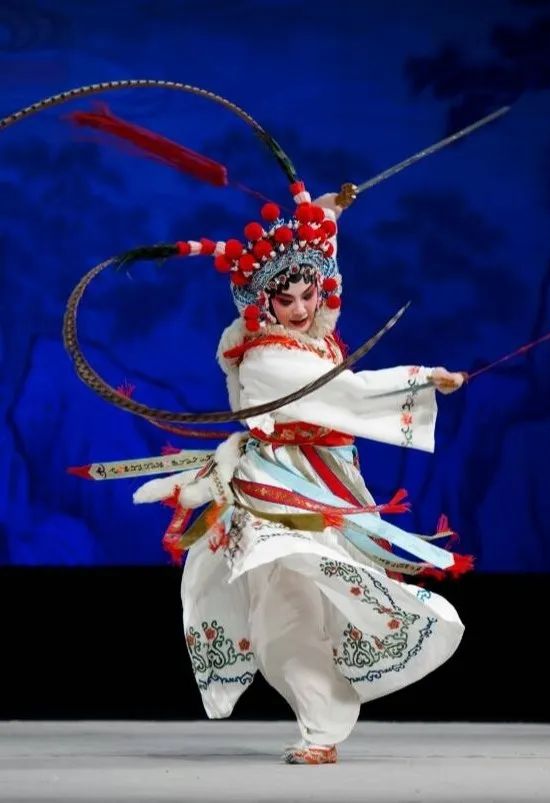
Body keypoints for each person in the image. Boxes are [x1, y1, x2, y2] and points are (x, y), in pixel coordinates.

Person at [134, 182, 469, 765]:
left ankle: (322, 728)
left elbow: (323, 269)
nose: (300, 308)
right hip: (276, 488)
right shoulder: (267, 357)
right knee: (280, 608)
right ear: (262, 303)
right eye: (285, 300)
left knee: (315, 599)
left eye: (308, 295)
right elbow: (348, 393)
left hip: (326, 485)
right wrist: (423, 378)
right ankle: (322, 728)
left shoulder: (314, 335)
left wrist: (324, 215)